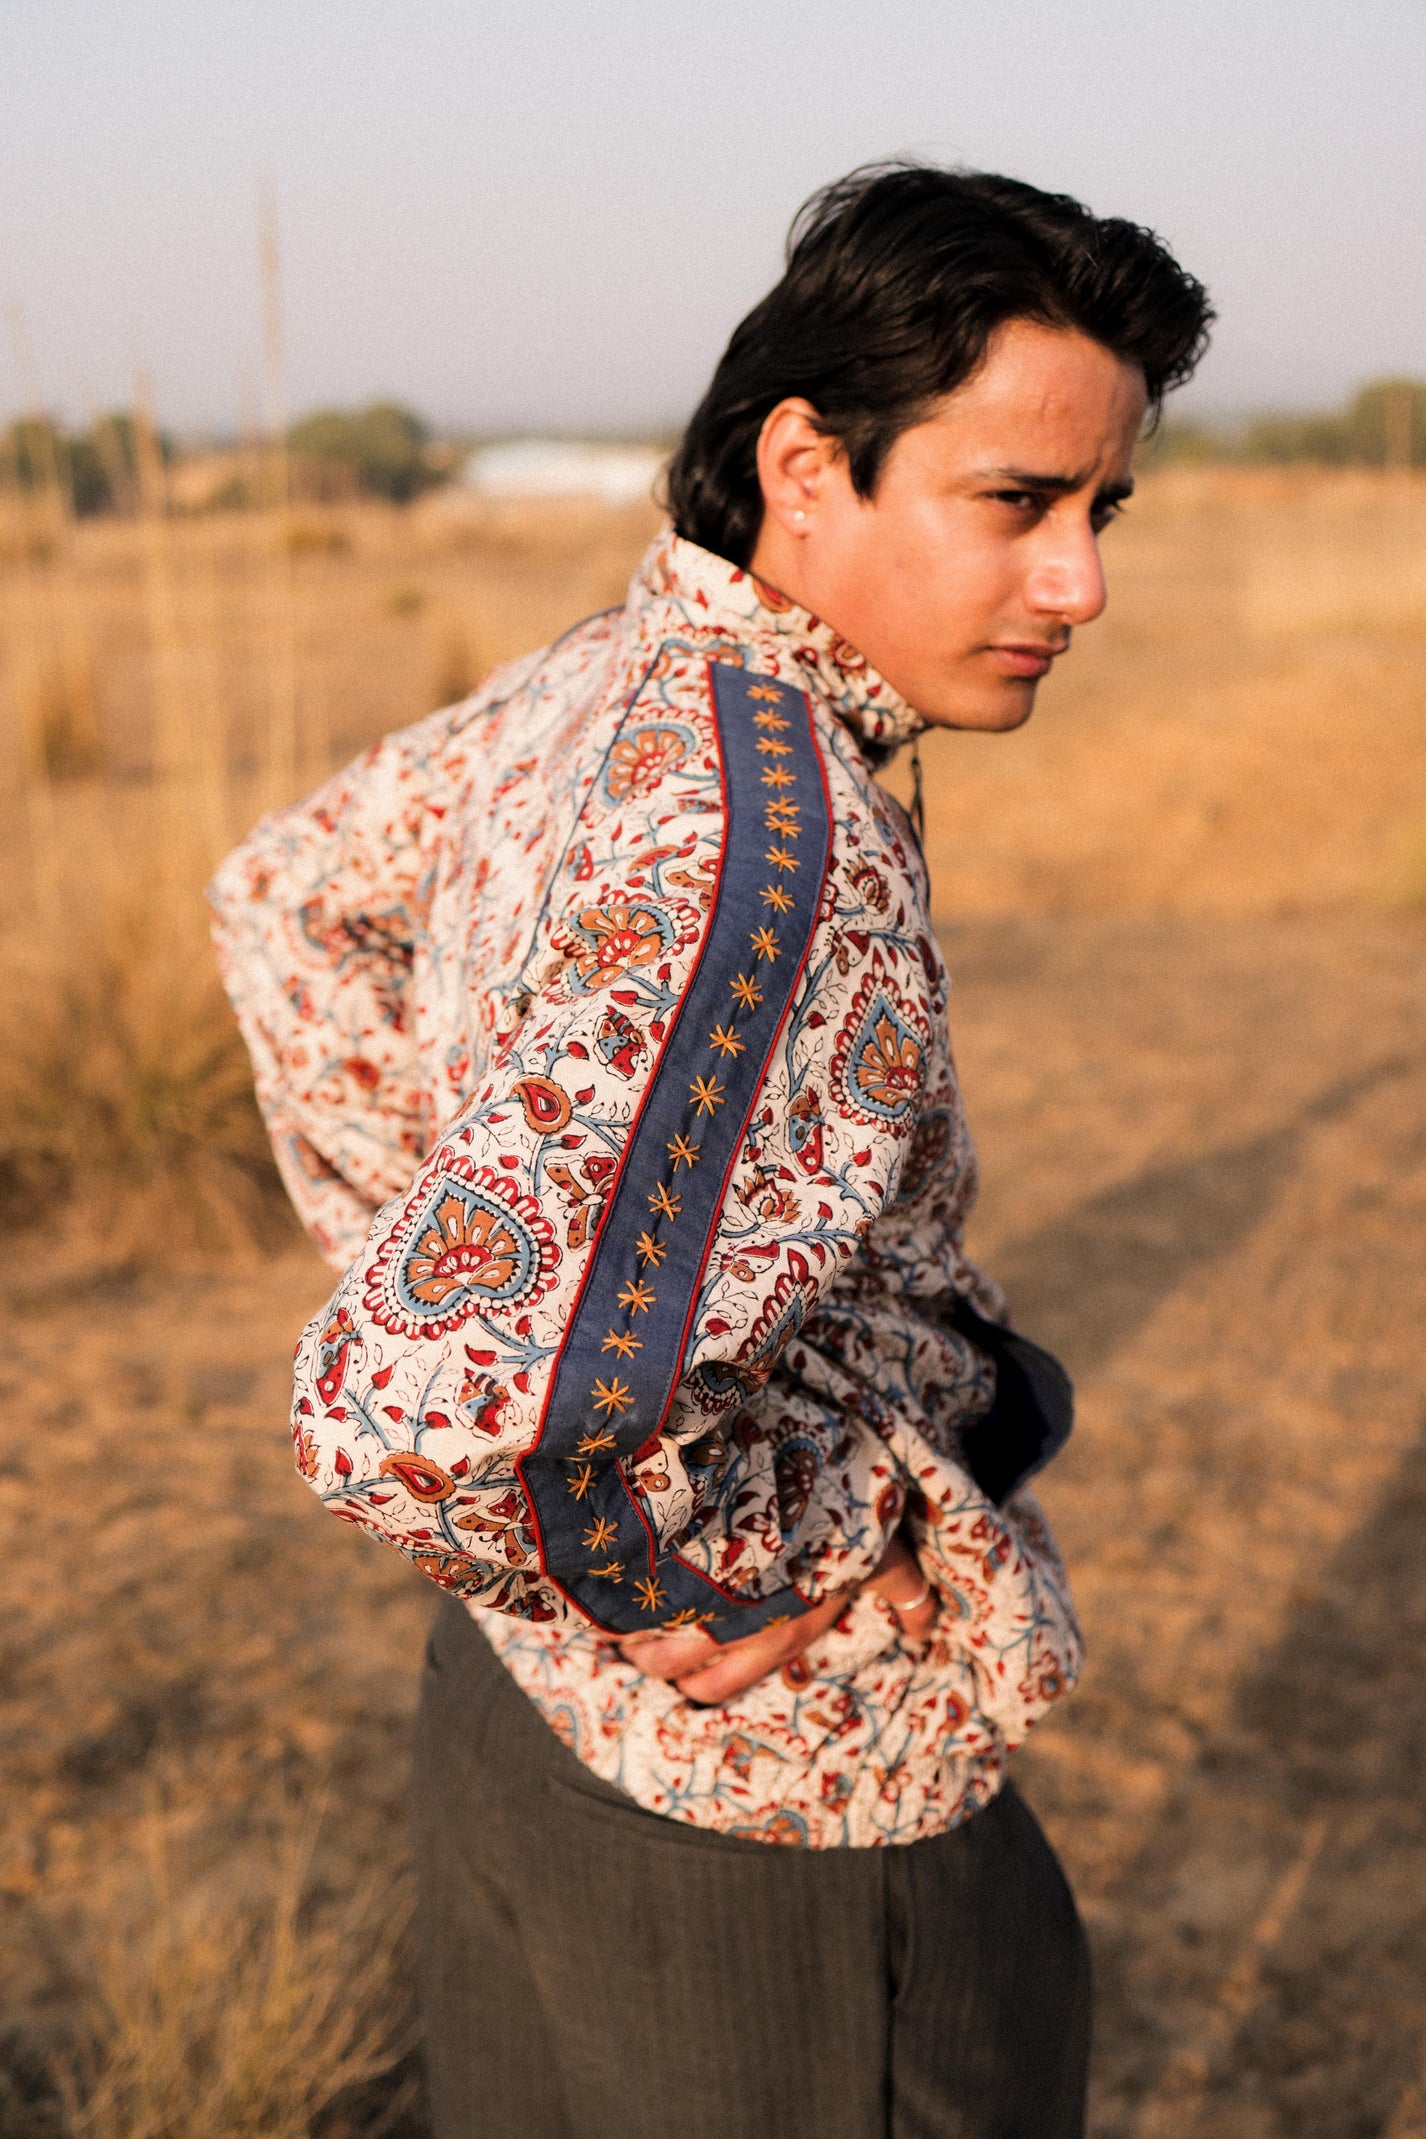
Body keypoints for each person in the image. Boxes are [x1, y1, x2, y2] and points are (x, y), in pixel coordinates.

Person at [211, 162, 1210, 2139]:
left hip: (516, 1716)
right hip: (767, 1816)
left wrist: (445, 1234)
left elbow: (284, 897)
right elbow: (414, 1403)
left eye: (1098, 510)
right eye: (1014, 501)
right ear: (804, 466)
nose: (1077, 584)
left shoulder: (612, 675)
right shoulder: (778, 853)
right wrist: (707, 1558)